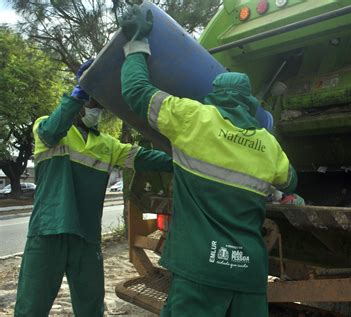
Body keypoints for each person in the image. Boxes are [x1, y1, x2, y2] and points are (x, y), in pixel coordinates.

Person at [119, 6, 297, 317]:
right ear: (249, 104)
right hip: (247, 272)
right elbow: (291, 181)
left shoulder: (194, 119)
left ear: (213, 94)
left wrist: (136, 43)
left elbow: (136, 91)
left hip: (199, 270)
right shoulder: (269, 146)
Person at [14, 59, 173, 317]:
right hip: (48, 231)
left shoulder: (109, 145)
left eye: (99, 105)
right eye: (91, 103)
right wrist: (81, 90)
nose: (94, 109)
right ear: (79, 103)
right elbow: (51, 131)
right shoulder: (49, 127)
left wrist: (183, 160)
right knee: (31, 306)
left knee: (91, 307)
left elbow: (146, 158)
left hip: (86, 237)